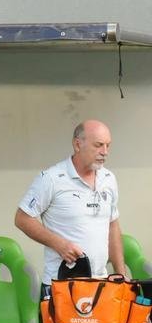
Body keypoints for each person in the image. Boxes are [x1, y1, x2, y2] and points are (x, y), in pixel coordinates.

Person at [16, 120, 126, 289]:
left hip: (101, 283)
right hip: (61, 284)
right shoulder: (51, 178)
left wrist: (121, 274)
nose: (105, 152)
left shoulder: (109, 178)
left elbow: (113, 225)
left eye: (108, 146)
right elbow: (22, 219)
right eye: (98, 145)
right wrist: (59, 244)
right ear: (77, 144)